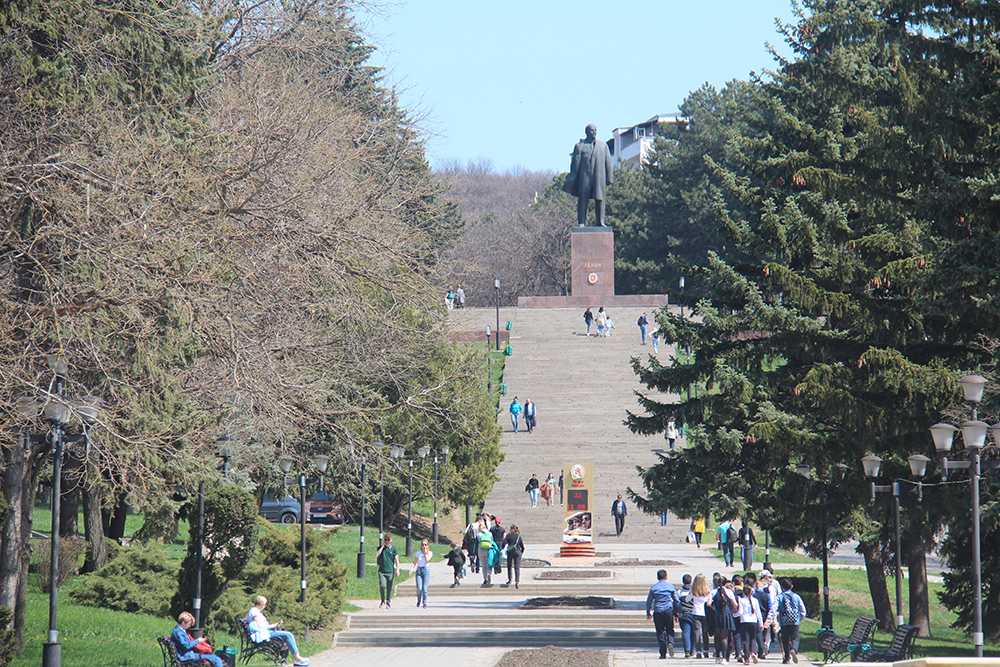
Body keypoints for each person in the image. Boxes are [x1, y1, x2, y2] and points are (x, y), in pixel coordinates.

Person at [563, 123, 614, 227]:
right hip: (584, 176)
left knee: (600, 199)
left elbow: (608, 162)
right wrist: (573, 177)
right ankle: (581, 222)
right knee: (583, 198)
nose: (594, 132)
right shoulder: (580, 146)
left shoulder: (603, 146)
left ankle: (600, 222)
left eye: (595, 130)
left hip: (599, 177)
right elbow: (575, 163)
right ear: (586, 132)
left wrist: (610, 178)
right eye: (592, 130)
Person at [247, 596, 309, 666]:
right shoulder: (254, 612)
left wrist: (274, 626)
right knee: (288, 635)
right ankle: (297, 657)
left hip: (267, 632)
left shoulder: (255, 611)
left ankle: (297, 658)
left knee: (287, 634)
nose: (265, 606)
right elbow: (261, 627)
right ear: (261, 605)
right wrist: (273, 625)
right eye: (265, 604)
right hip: (265, 634)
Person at [646, 569, 680, 659]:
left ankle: (662, 653)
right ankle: (670, 642)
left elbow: (649, 601)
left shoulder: (654, 588)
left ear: (657, 577)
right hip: (668, 610)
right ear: (666, 577)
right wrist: (679, 611)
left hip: (658, 611)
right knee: (670, 629)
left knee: (660, 632)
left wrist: (648, 612)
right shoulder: (671, 587)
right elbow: (677, 600)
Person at [777, 578, 807, 664]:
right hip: (795, 621)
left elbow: (774, 608)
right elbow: (803, 610)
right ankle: (794, 649)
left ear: (782, 587)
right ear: (791, 586)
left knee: (785, 639)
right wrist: (799, 618)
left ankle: (786, 658)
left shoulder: (780, 597)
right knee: (795, 638)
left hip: (784, 621)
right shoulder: (796, 596)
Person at [711, 576, 738, 664]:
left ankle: (718, 656)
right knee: (724, 637)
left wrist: (714, 609)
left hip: (717, 616)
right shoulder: (729, 592)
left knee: (717, 636)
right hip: (727, 615)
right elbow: (735, 604)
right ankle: (724, 658)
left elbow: (708, 603)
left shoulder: (713, 592)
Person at [737, 584, 764, 664]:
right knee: (753, 638)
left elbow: (740, 612)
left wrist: (734, 614)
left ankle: (746, 658)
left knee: (745, 640)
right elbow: (758, 612)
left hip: (744, 621)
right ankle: (753, 652)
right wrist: (761, 623)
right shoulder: (755, 600)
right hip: (754, 621)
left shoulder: (741, 600)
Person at [689, 574, 713, 659]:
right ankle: (706, 650)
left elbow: (687, 599)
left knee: (697, 632)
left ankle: (698, 651)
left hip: (696, 612)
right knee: (705, 632)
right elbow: (709, 601)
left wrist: (690, 593)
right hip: (705, 613)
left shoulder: (693, 591)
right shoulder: (708, 591)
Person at [376, 533, 401, 608]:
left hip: (390, 571)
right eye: (385, 539)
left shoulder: (393, 549)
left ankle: (388, 601)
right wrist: (382, 547)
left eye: (388, 539)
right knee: (382, 586)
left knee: (389, 588)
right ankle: (382, 600)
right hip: (382, 571)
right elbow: (376, 555)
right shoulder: (380, 548)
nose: (387, 541)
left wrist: (398, 570)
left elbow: (397, 560)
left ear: (391, 540)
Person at [411, 538, 432, 608]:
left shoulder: (430, 553)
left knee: (425, 588)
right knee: (419, 588)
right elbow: (414, 562)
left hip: (426, 570)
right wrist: (411, 570)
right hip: (419, 570)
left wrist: (425, 553)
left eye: (425, 544)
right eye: (423, 544)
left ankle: (424, 602)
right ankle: (419, 599)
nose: (424, 546)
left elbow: (427, 560)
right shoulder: (418, 553)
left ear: (428, 545)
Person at [678, 573, 695, 658]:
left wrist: (676, 613)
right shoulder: (694, 591)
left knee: (686, 632)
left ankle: (687, 651)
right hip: (694, 613)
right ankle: (693, 650)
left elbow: (676, 603)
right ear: (691, 581)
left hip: (684, 614)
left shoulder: (679, 592)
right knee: (694, 632)